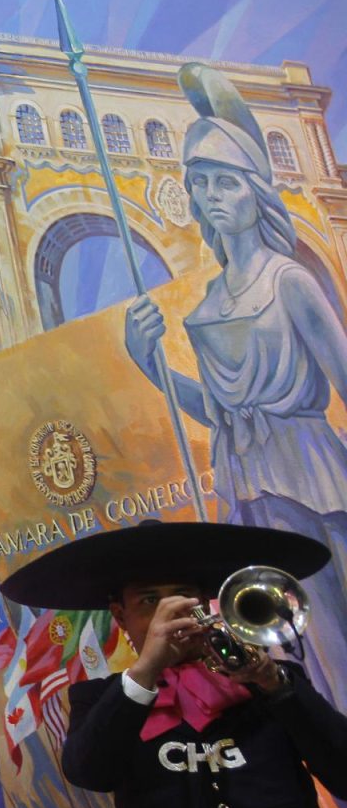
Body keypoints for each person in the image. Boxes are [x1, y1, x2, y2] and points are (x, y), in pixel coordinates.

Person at [2, 519, 347, 808]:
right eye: (149, 601)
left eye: (183, 597)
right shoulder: (104, 699)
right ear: (120, 616)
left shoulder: (274, 683)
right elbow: (88, 770)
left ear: (205, 604)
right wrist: (145, 669)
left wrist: (275, 683)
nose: (172, 613)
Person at [123, 63, 347, 710]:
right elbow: (218, 414)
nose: (215, 196)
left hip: (309, 483)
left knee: (332, 639)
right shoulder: (211, 303)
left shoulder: (290, 282)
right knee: (277, 661)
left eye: (227, 182)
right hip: (245, 487)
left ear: (255, 193)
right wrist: (154, 367)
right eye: (203, 185)